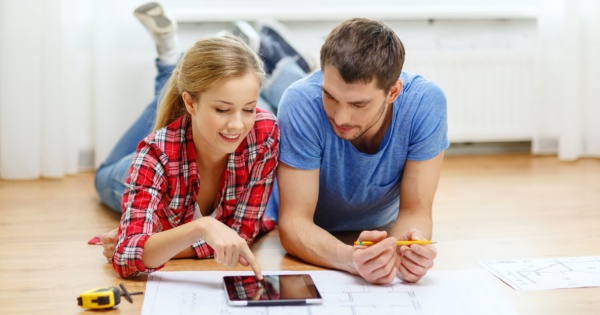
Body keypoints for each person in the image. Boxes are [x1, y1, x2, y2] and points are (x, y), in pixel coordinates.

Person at [93, 2, 309, 279]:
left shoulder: (263, 132)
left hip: (190, 139)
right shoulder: (155, 154)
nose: (237, 124)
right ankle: (170, 58)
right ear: (190, 104)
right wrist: (202, 228)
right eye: (222, 110)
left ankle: (179, 60)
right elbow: (126, 256)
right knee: (103, 177)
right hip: (141, 164)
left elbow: (242, 233)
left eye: (249, 108)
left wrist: (160, 242)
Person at [268, 18, 448, 285]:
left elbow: (416, 210)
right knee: (267, 94)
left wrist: (407, 250)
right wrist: (350, 259)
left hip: (375, 224)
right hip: (282, 210)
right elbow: (294, 224)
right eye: (330, 96)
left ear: (393, 92)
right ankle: (277, 56)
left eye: (358, 103)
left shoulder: (425, 102)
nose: (341, 117)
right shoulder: (301, 102)